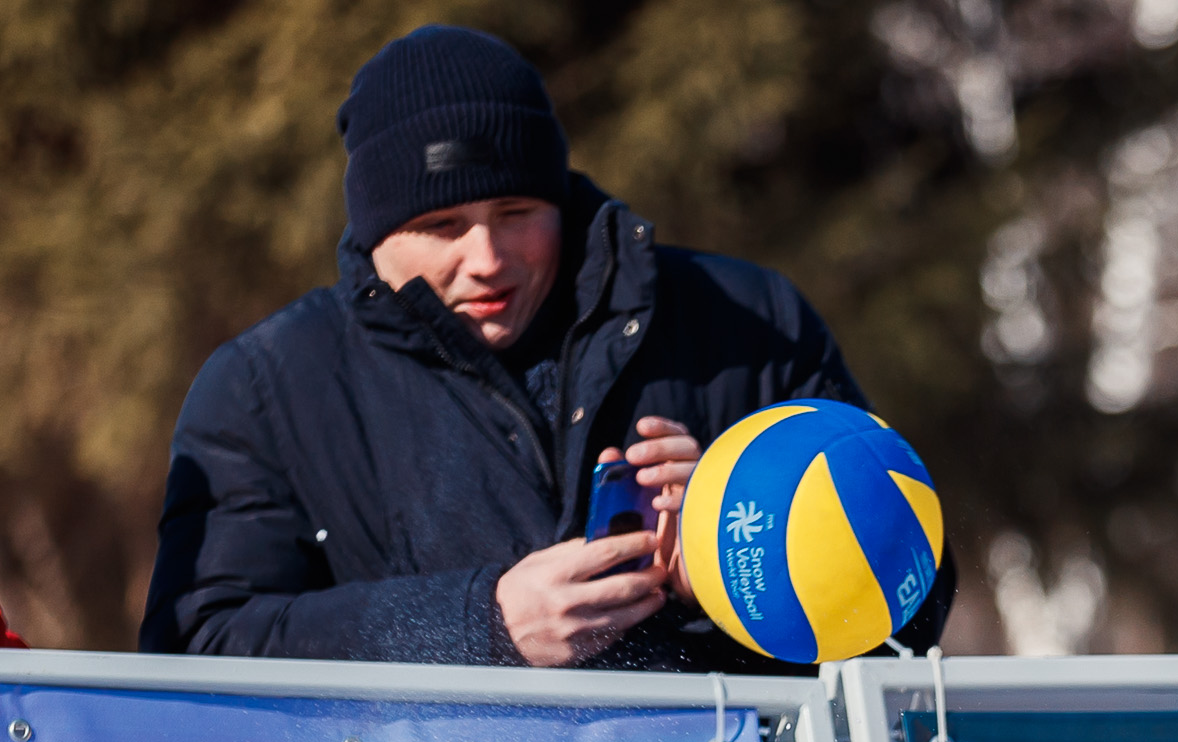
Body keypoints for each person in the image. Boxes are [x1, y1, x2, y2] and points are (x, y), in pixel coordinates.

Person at [142, 24, 944, 670]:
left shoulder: (749, 317)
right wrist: (479, 627)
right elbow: (196, 652)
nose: (486, 258)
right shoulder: (262, 387)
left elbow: (915, 612)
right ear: (375, 232)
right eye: (440, 227)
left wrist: (751, 548)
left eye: (516, 210)